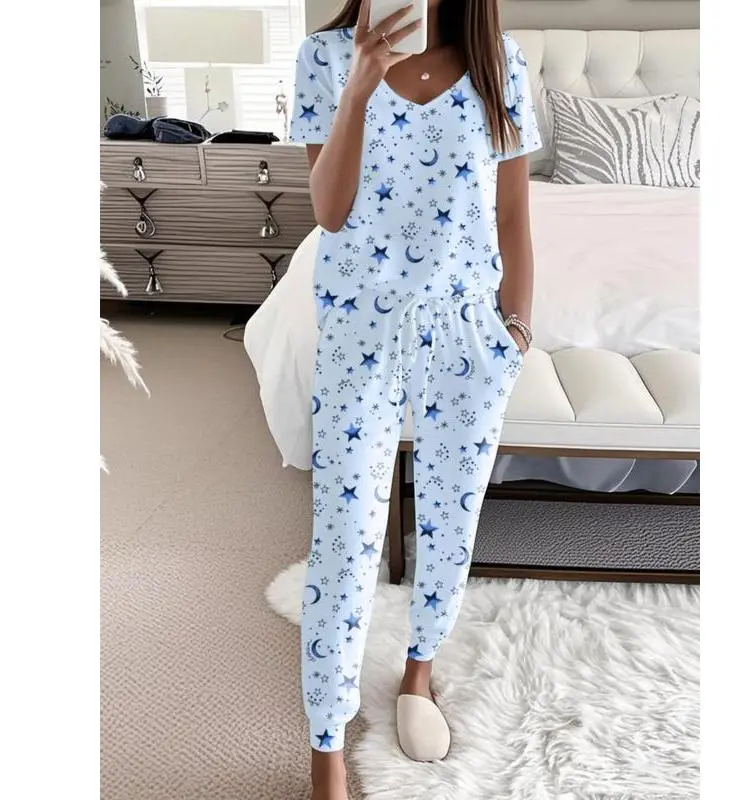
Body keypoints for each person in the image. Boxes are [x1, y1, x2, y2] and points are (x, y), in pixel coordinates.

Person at [288, 1, 541, 797]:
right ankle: (327, 751)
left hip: (467, 333)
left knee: (449, 520)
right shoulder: (324, 58)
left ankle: (418, 674)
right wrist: (359, 87)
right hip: (360, 330)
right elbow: (329, 211)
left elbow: (512, 211)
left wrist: (515, 328)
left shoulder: (500, 63)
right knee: (343, 540)